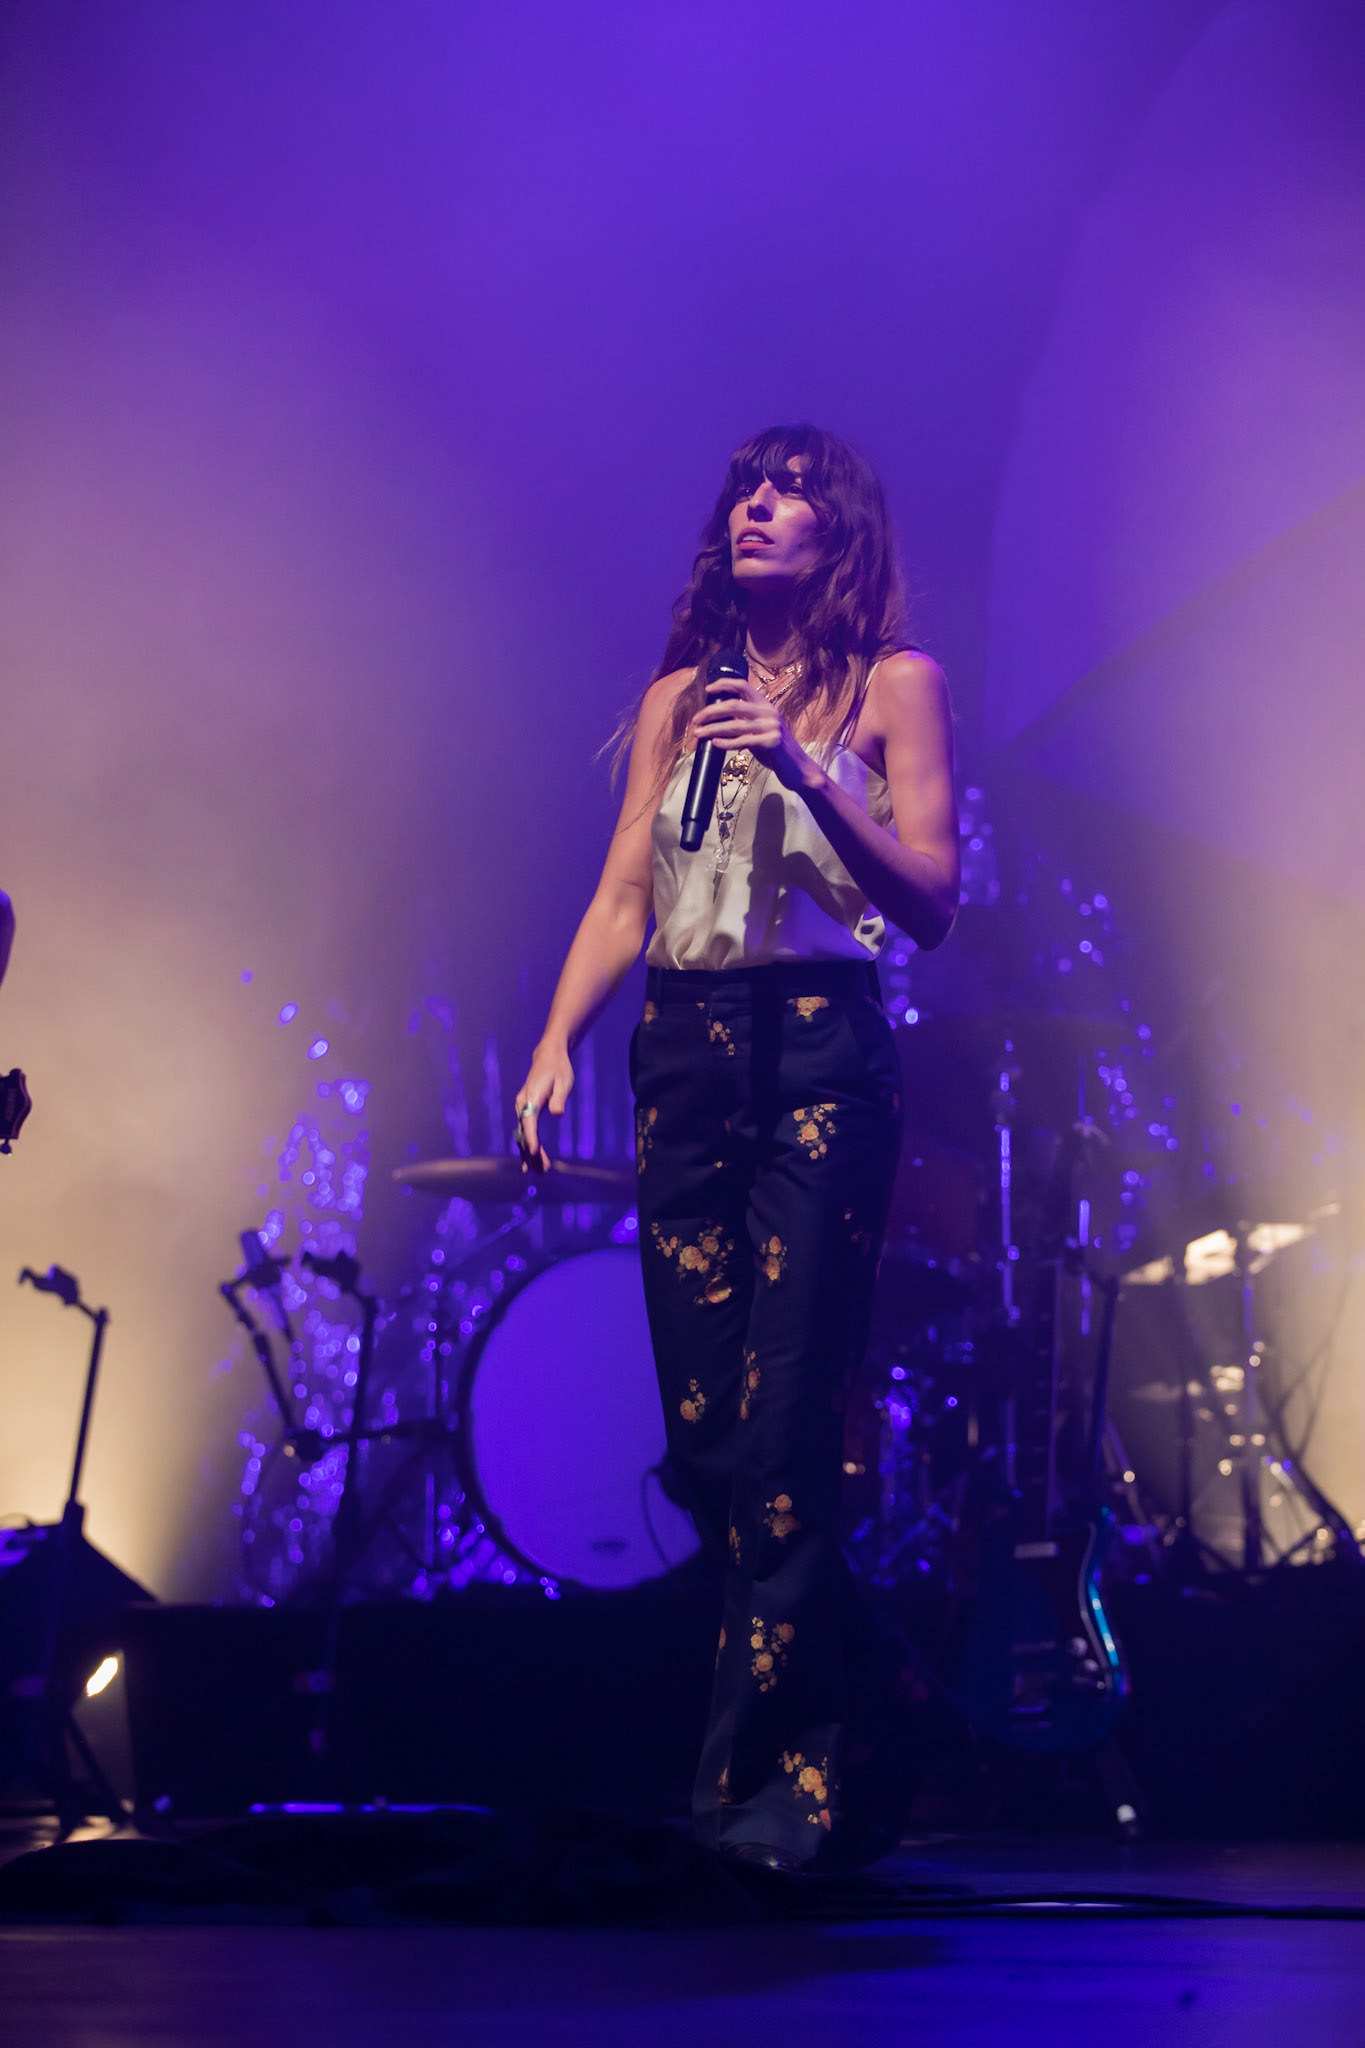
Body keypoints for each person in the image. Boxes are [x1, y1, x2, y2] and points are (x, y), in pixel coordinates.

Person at [516, 424, 959, 1872]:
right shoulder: (675, 702)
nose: (755, 510)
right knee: (708, 1443)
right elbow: (623, 894)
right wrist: (553, 1041)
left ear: (840, 533)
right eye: (744, 493)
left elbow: (932, 894)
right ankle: (876, 1681)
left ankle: (767, 1805)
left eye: (788, 495)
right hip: (684, 1054)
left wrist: (805, 770)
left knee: (784, 1436)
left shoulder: (892, 688)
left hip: (822, 1049)